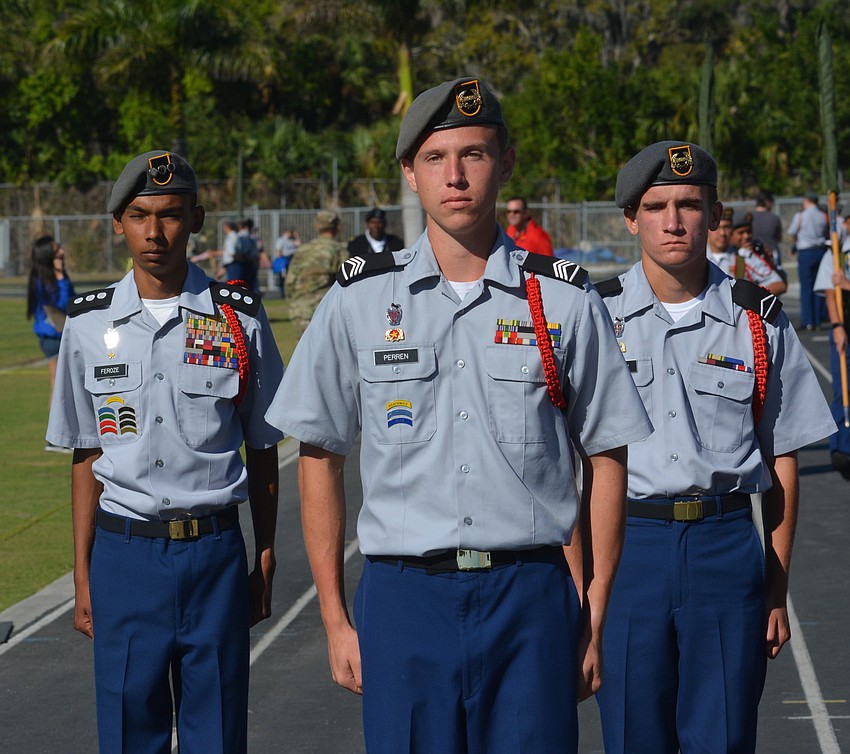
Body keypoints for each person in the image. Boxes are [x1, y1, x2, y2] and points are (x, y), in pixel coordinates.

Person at [265, 76, 652, 754]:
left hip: (529, 595)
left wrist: (595, 605)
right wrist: (333, 616)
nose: (456, 175)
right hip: (405, 600)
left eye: (473, 154)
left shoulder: (563, 302)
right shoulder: (358, 302)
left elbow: (608, 452)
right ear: (410, 173)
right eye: (437, 158)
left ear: (503, 163)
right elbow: (319, 455)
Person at [593, 141, 836, 754]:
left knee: (724, 738)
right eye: (656, 206)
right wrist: (582, 588)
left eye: (690, 205)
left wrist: (776, 587)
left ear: (716, 214)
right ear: (631, 218)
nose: (673, 221)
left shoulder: (759, 321)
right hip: (625, 550)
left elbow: (783, 457)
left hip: (725, 550)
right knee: (631, 737)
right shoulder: (592, 318)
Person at [46, 150, 284, 753]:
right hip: (125, 556)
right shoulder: (85, 328)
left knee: (220, 733)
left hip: (215, 554)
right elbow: (85, 456)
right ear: (119, 223)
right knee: (129, 734)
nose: (155, 233)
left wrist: (265, 550)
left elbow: (263, 449)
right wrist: (83, 572)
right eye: (140, 215)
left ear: (197, 219)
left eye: (172, 215)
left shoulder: (241, 322)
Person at [27, 234, 76, 451]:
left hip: (59, 334)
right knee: (58, 384)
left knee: (62, 383)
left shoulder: (57, 275)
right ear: (49, 254)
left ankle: (59, 436)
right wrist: (59, 275)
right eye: (57, 249)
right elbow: (61, 303)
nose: (62, 250)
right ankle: (56, 438)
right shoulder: (45, 279)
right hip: (52, 336)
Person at [813, 223, 850, 480]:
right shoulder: (836, 253)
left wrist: (846, 283)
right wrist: (837, 326)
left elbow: (840, 284)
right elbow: (829, 292)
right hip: (845, 328)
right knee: (843, 391)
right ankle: (842, 449)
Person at [284, 209, 348, 337]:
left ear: (317, 226)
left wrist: (294, 304)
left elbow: (290, 282)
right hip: (325, 312)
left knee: (303, 354)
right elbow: (346, 284)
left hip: (300, 311)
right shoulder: (338, 251)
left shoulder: (303, 250)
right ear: (337, 228)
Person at [788, 191, 829, 330]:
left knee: (806, 288)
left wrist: (797, 241)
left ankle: (808, 320)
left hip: (805, 251)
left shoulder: (801, 215)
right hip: (820, 250)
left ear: (806, 201)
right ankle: (817, 320)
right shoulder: (823, 215)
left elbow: (792, 232)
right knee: (818, 287)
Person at [728, 208, 787, 294]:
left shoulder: (748, 254)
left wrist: (754, 298)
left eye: (749, 232)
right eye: (741, 233)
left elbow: (780, 285)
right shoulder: (717, 253)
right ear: (730, 233)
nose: (746, 236)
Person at [750, 189, 783, 265]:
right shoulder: (774, 218)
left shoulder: (748, 218)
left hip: (753, 257)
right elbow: (779, 238)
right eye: (772, 201)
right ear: (767, 201)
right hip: (771, 256)